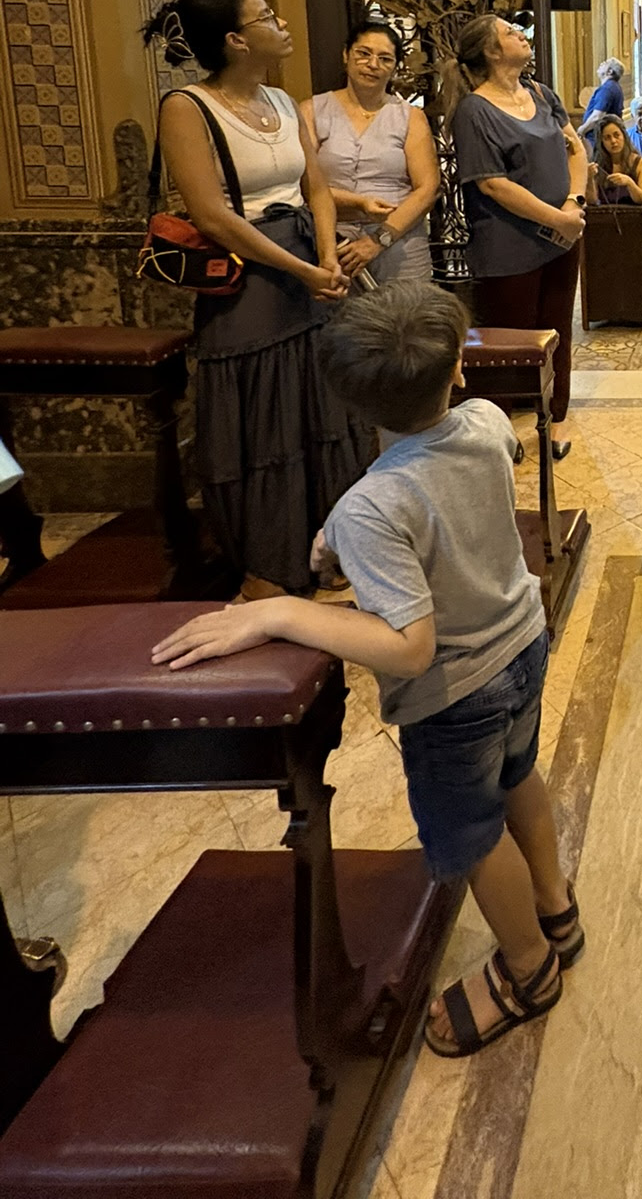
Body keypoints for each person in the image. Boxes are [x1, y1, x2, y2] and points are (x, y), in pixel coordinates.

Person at [148, 279, 581, 1059]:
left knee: (472, 835)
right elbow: (449, 486)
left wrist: (280, 612)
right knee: (519, 773)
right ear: (458, 369)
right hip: (522, 644)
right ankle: (556, 908)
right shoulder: (486, 421)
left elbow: (410, 644)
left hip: (457, 693)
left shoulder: (372, 508)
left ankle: (529, 968)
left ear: (347, 401)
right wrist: (348, 532)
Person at [142, 0, 374, 596]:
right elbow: (212, 216)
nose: (282, 21)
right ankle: (269, 562)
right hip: (248, 279)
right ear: (236, 40)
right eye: (266, 16)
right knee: (265, 421)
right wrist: (301, 271)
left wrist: (327, 256)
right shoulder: (188, 107)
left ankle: (332, 547)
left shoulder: (280, 99)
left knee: (324, 411)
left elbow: (315, 187)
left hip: (308, 263)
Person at [448, 15, 588, 462]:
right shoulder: (474, 110)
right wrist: (558, 218)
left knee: (557, 331)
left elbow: (576, 149)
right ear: (492, 52)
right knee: (508, 342)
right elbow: (492, 184)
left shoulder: (541, 94)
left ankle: (555, 420)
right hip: (508, 245)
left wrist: (574, 203)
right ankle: (501, 432)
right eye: (510, 32)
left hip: (561, 239)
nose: (521, 34)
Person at [303, 19, 440, 286]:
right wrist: (358, 202)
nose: (373, 64)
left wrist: (379, 239)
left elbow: (427, 189)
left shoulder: (410, 117)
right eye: (363, 53)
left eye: (385, 58)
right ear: (346, 55)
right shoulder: (311, 110)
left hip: (398, 239)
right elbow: (304, 184)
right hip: (332, 241)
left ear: (395, 67)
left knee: (409, 311)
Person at [587, 117, 642, 206]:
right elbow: (591, 202)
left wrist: (630, 183)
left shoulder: (640, 162)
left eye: (616, 135)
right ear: (601, 142)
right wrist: (590, 178)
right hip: (604, 213)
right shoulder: (597, 164)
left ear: (624, 136)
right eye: (607, 138)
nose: (613, 141)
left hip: (634, 213)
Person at [577, 58, 626, 148]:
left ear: (610, 71)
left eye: (606, 63)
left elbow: (597, 116)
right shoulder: (614, 87)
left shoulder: (607, 89)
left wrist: (582, 130)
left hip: (598, 137)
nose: (602, 63)